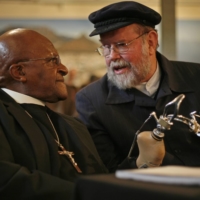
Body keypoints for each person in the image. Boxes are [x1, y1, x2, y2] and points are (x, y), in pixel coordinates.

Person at [75, 1, 200, 172]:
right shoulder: (92, 101)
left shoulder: (196, 77)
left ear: (150, 42)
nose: (112, 56)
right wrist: (142, 163)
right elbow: (105, 173)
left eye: (121, 45)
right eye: (106, 47)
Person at [0, 28, 108, 200]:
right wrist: (87, 193)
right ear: (19, 72)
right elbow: (8, 181)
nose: (64, 69)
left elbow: (101, 176)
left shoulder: (73, 125)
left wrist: (145, 163)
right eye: (52, 61)